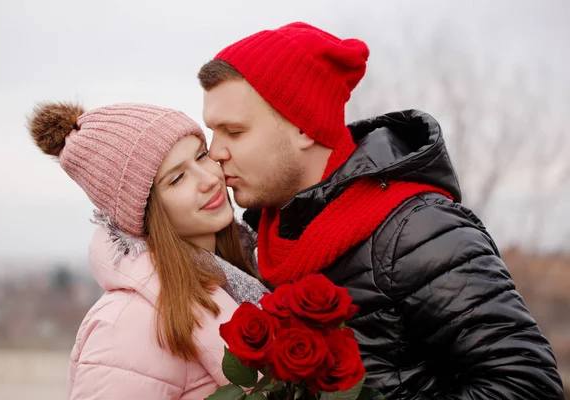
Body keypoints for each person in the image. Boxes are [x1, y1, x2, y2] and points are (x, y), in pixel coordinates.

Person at [197, 22, 564, 399]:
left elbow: (529, 385)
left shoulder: (418, 230)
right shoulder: (266, 241)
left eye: (234, 132)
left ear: (304, 127)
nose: (215, 153)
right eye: (213, 133)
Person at [27, 102, 268, 399]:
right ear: (143, 212)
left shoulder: (247, 274)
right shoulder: (127, 326)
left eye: (202, 156)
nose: (209, 179)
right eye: (178, 178)